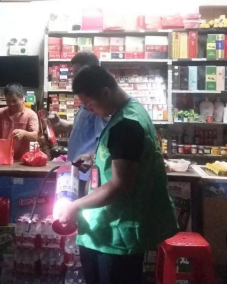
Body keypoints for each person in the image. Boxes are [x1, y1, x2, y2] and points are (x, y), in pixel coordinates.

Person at [57, 66, 178, 284]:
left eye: (90, 105)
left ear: (105, 92)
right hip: (107, 228)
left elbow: (120, 185)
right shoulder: (129, 111)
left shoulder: (127, 124)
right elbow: (122, 152)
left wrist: (74, 206)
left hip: (117, 234)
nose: (90, 111)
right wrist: (93, 156)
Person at [48, 52, 107, 195]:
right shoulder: (85, 104)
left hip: (87, 175)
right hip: (75, 172)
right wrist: (59, 123)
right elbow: (79, 129)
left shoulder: (97, 105)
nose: (73, 78)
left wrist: (91, 159)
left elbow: (104, 141)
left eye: (76, 73)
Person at [0, 83, 39, 160]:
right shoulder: (0, 112)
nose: (11, 104)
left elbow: (35, 136)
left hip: (22, 160)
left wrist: (24, 133)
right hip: (3, 157)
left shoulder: (31, 115)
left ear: (22, 98)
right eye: (8, 101)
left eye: (14, 101)